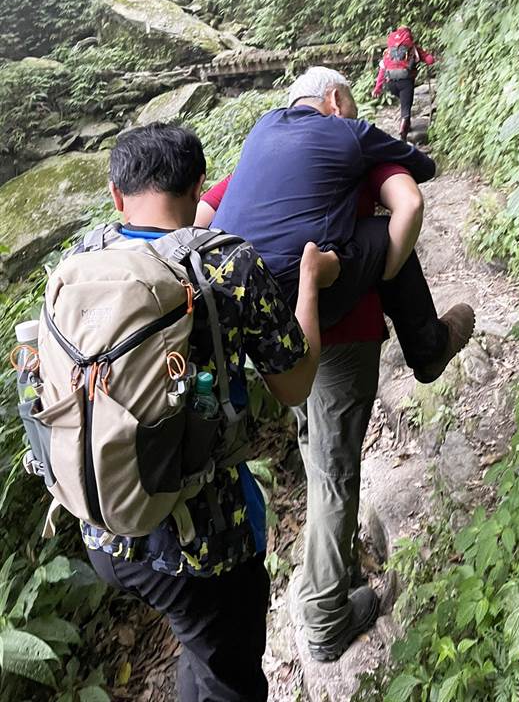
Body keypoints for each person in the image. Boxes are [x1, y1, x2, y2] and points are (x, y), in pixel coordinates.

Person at [78, 124, 338, 702]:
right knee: (231, 679)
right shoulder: (225, 264)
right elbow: (294, 384)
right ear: (200, 187)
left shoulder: (82, 258)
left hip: (101, 523)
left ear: (116, 196)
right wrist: (312, 286)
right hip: (199, 542)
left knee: (199, 648)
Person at [198, 162, 426, 662]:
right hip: (342, 342)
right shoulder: (346, 155)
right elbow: (407, 205)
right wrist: (384, 266)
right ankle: (326, 616)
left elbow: (202, 217)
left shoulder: (263, 172)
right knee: (336, 476)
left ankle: (337, 571)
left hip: (280, 344)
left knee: (316, 450)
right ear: (333, 103)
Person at [209, 66, 474, 386]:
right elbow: (424, 167)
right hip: (291, 296)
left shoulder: (263, 127)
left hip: (226, 297)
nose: (354, 113)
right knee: (384, 232)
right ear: (335, 99)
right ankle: (429, 350)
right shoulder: (347, 131)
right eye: (353, 105)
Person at [372, 26, 435, 140]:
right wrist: (430, 58)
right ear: (409, 35)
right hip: (405, 81)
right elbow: (430, 60)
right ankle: (403, 129)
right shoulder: (413, 48)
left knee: (403, 100)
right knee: (406, 106)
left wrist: (377, 88)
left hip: (390, 83)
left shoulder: (388, 51)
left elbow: (382, 70)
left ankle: (407, 125)